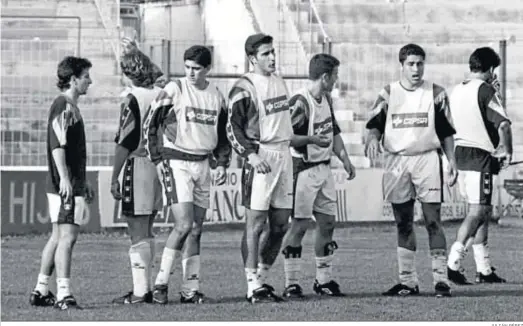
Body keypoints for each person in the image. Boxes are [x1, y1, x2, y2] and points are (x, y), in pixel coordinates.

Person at [227, 33, 328, 303]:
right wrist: (250, 155)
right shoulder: (243, 87)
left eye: (273, 52)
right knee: (255, 223)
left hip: (284, 156)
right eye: (265, 54)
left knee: (281, 224)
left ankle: (261, 279)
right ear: (252, 58)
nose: (272, 57)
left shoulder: (279, 82)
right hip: (261, 156)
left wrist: (304, 143)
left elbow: (284, 128)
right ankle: (251, 285)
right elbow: (232, 128)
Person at [365, 43, 457, 297]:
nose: (416, 69)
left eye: (420, 64)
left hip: (427, 159)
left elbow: (447, 132)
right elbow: (374, 125)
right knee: (403, 223)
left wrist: (451, 162)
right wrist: (373, 139)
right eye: (411, 64)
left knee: (432, 221)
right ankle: (408, 281)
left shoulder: (436, 93)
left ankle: (441, 280)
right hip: (397, 161)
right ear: (402, 66)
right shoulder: (388, 93)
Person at [145, 45, 231, 304]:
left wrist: (223, 161)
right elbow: (152, 123)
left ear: (207, 69)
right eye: (188, 68)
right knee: (183, 224)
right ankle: (160, 283)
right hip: (176, 161)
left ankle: (190, 290)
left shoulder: (217, 95)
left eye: (196, 68)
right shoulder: (175, 89)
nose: (191, 73)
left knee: (196, 229)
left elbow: (223, 134)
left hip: (202, 163)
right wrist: (157, 159)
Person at [280, 53, 356, 298]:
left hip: (324, 170)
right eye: (335, 76)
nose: (336, 81)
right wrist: (312, 139)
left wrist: (345, 158)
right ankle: (291, 283)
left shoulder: (326, 99)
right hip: (302, 170)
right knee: (300, 225)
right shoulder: (300, 102)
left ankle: (323, 281)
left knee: (327, 223)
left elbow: (332, 130)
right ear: (325, 77)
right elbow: (287, 137)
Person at [29, 56, 95, 310]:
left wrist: (82, 179)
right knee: (68, 237)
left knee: (57, 237)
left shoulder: (68, 106)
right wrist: (67, 179)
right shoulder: (64, 106)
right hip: (64, 184)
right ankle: (63, 295)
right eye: (86, 76)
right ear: (73, 79)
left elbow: (70, 150)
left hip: (67, 181)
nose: (90, 80)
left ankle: (41, 290)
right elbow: (58, 145)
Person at [446, 47, 510, 285]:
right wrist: (506, 149)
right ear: (491, 69)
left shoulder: (456, 90)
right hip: (479, 155)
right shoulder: (485, 91)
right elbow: (502, 124)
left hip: (460, 154)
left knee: (482, 211)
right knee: (478, 212)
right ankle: (453, 263)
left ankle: (483, 269)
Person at [110, 49, 164, 304]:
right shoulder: (161, 95)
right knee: (149, 228)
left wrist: (114, 176)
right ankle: (148, 288)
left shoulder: (133, 99)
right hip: (159, 165)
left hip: (138, 164)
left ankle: (141, 292)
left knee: (137, 230)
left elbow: (125, 141)